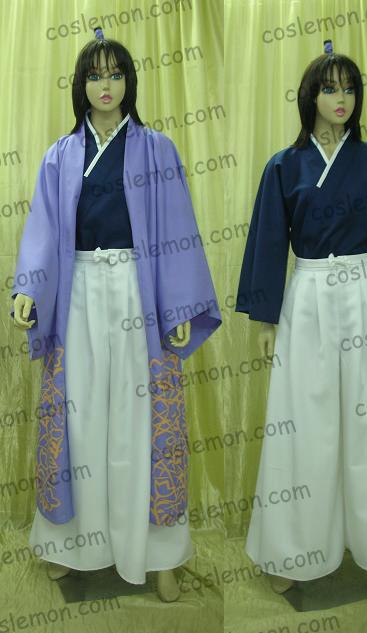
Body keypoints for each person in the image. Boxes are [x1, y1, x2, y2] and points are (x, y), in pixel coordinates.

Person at [11, 29, 221, 602]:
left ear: (130, 81)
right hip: (77, 291)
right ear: (81, 85)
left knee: (140, 418)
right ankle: (69, 545)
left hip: (138, 292)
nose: (106, 85)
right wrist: (29, 288)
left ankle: (158, 554)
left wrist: (178, 304)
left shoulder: (157, 150)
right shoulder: (61, 155)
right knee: (78, 416)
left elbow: (176, 227)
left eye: (116, 74)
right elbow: (44, 229)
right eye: (95, 75)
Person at [235, 42, 367, 602]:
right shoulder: (284, 166)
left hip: (366, 293)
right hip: (308, 299)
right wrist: (267, 318)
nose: (340, 98)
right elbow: (269, 242)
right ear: (311, 96)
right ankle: (292, 551)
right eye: (329, 88)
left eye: (349, 88)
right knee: (304, 424)